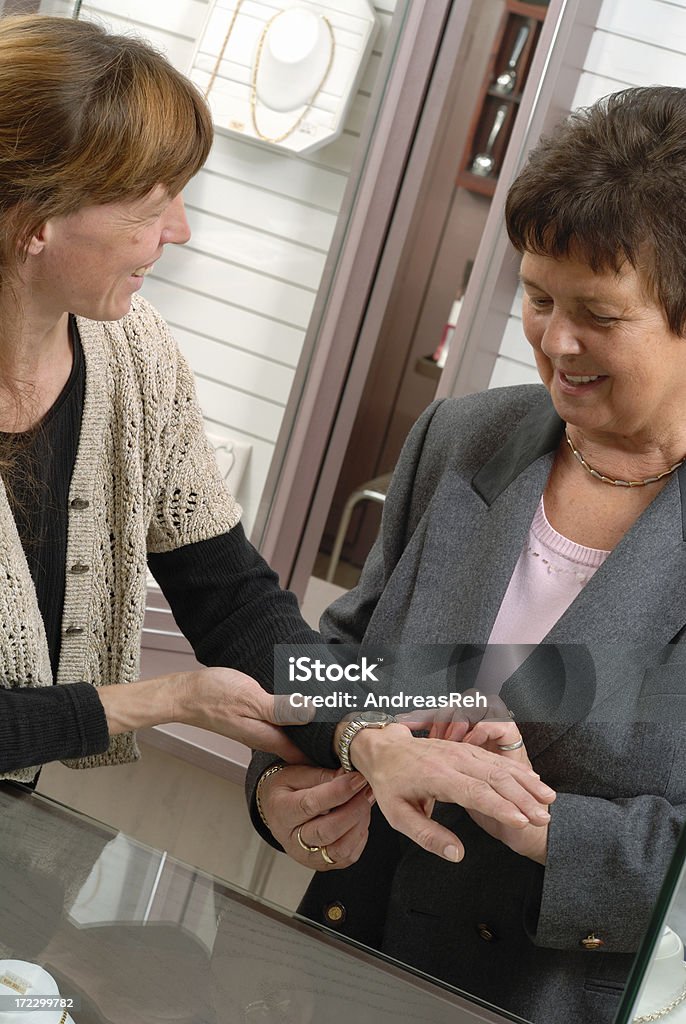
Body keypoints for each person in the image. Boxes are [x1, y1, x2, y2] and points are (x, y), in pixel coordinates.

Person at [0, 13, 554, 855]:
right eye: (151, 205)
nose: (180, 229)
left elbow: (239, 603)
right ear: (35, 221)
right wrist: (164, 701)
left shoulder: (135, 357)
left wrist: (367, 734)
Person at [248, 85, 686, 1024]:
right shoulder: (462, 439)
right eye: (536, 297)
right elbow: (333, 674)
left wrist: (548, 829)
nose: (555, 341)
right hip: (351, 959)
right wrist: (286, 792)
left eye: (599, 315)